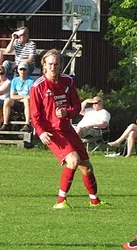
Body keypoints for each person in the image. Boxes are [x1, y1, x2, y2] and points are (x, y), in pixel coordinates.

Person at [29, 49, 102, 209]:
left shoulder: (67, 81)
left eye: (56, 64)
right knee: (73, 160)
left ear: (61, 65)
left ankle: (95, 201)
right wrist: (40, 132)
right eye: (50, 64)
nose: (53, 67)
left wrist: (66, 112)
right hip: (52, 132)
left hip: (67, 129)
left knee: (87, 167)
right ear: (44, 65)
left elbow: (76, 106)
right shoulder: (38, 86)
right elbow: (34, 114)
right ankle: (61, 201)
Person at [0, 60, 33, 132]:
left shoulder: (31, 81)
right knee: (7, 100)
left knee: (27, 100)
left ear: (27, 70)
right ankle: (5, 123)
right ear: (18, 70)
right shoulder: (15, 80)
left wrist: (21, 97)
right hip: (18, 101)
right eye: (21, 69)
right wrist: (23, 97)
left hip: (26, 102)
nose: (22, 71)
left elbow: (30, 96)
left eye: (24, 69)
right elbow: (12, 95)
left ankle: (27, 124)